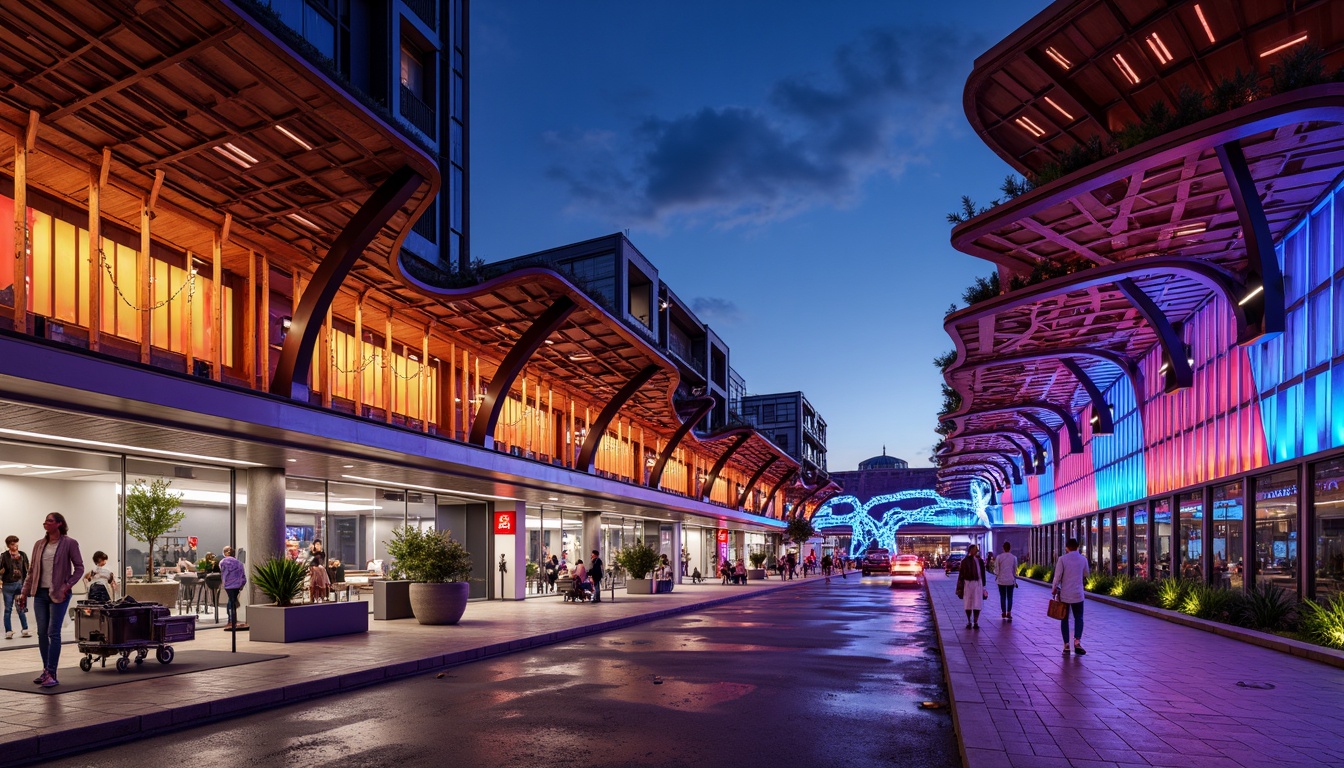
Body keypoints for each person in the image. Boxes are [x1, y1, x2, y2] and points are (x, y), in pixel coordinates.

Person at [17, 513, 84, 688]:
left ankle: (52, 673)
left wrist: (67, 585)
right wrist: (24, 592)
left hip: (59, 594)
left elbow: (79, 568)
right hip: (39, 593)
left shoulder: (69, 543)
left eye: (50, 520)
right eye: (45, 520)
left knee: (53, 632)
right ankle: (46, 670)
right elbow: (32, 570)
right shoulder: (39, 544)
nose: (45, 523)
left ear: (59, 524)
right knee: (41, 632)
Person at [1052, 538, 1089, 656]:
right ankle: (1077, 642)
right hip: (1078, 593)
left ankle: (1066, 645)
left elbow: (1057, 576)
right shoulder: (1083, 559)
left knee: (1064, 619)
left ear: (1066, 548)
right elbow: (1086, 574)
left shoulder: (1062, 559)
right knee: (1079, 618)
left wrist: (1054, 588)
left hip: (1065, 594)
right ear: (1077, 547)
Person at [2, 535, 30, 639]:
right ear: (9, 545)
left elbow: (28, 569)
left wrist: (27, 584)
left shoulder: (22, 555)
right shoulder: (4, 556)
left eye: (16, 543)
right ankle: (8, 631)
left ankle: (25, 629)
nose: (15, 545)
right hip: (8, 585)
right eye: (13, 544)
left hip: (20, 585)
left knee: (21, 607)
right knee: (8, 609)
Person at [956, 544, 987, 629]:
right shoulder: (965, 561)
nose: (976, 551)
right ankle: (969, 621)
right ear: (970, 550)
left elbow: (982, 573)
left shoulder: (979, 561)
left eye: (976, 549)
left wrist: (983, 585)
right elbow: (961, 575)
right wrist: (959, 587)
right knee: (968, 603)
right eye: (974, 549)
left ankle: (976, 621)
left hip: (978, 583)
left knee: (977, 603)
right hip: (968, 583)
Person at [220, 546, 247, 630]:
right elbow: (242, 574)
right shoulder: (239, 563)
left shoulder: (222, 562)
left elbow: (223, 573)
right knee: (233, 600)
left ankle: (231, 620)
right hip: (237, 585)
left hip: (228, 585)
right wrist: (242, 584)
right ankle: (232, 619)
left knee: (231, 601)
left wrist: (224, 582)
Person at [995, 542, 1018, 621]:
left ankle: (1003, 612)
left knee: (1003, 596)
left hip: (1001, 580)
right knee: (1010, 597)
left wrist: (996, 574)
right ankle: (1009, 612)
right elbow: (1015, 570)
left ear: (1003, 548)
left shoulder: (999, 557)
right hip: (1010, 580)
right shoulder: (1014, 557)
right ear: (1010, 548)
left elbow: (997, 570)